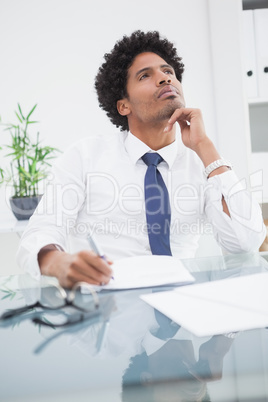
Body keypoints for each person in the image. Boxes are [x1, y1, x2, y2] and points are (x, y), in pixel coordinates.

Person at [17, 31, 266, 288]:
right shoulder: (85, 156)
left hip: (185, 309)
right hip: (108, 309)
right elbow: (39, 232)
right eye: (145, 75)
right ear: (124, 106)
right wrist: (59, 261)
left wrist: (205, 147)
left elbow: (246, 243)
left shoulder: (203, 164)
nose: (164, 78)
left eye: (168, 71)